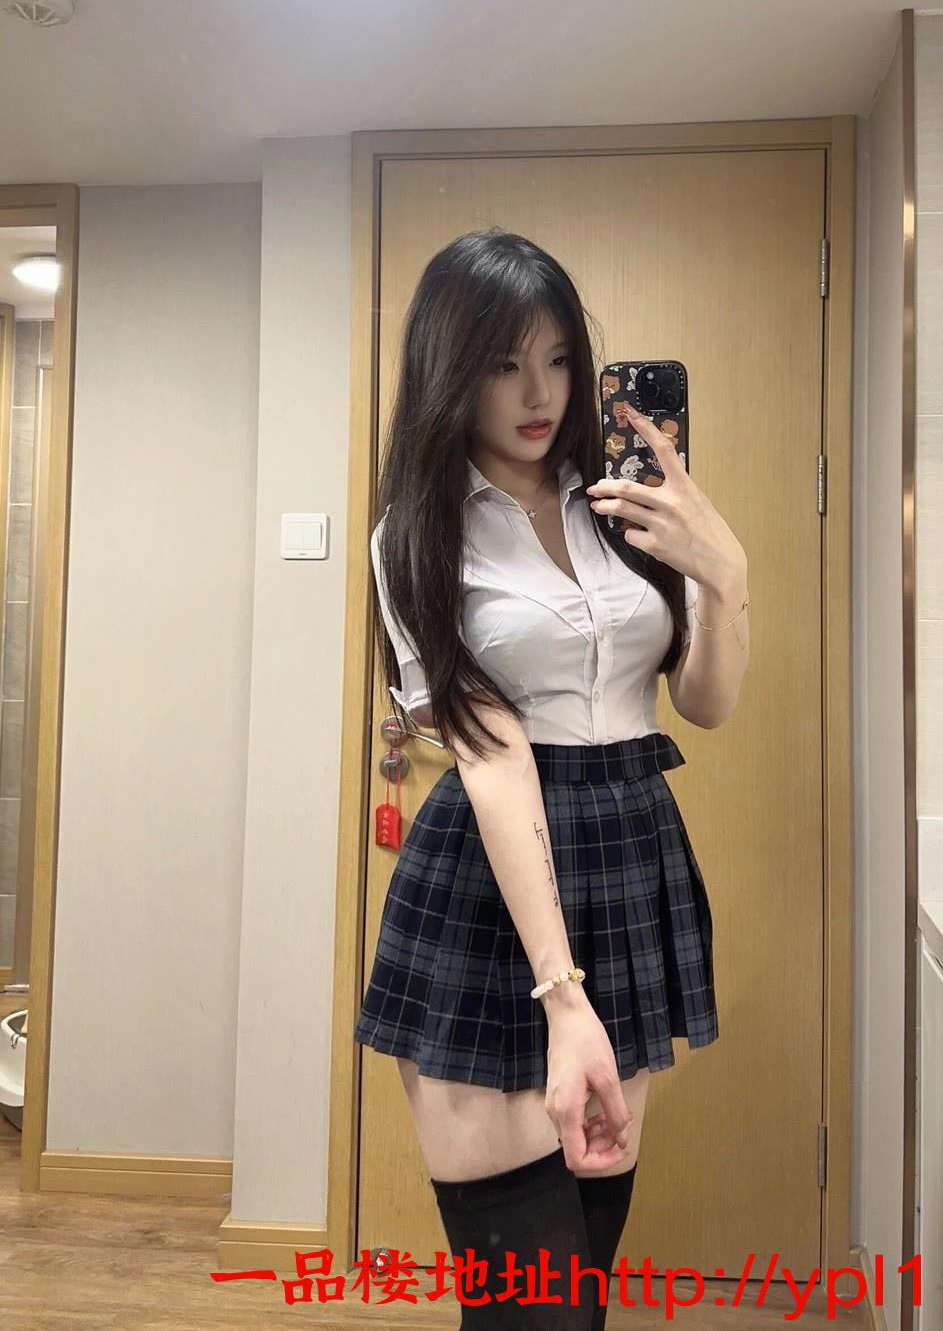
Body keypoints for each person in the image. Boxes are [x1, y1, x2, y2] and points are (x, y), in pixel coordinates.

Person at [355, 228, 751, 1328]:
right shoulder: (417, 535)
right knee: (531, 1312)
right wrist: (560, 994)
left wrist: (724, 576)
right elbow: (492, 760)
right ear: (450, 370)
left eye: (560, 359)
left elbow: (705, 704)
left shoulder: (626, 509)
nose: (540, 394)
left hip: (632, 865)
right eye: (504, 363)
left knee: (585, 1285)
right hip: (495, 888)